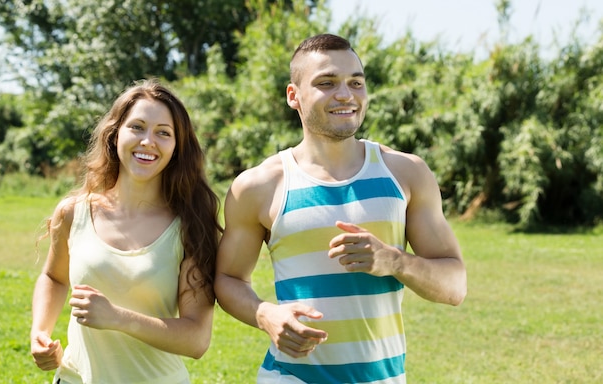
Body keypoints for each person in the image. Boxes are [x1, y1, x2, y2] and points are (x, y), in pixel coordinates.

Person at [214, 33, 467, 383]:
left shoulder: (405, 173)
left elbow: (455, 286)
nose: (346, 95)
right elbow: (227, 279)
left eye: (356, 82)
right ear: (294, 96)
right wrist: (265, 314)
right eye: (327, 83)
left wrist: (394, 261)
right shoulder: (259, 186)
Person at [30, 79, 222, 383]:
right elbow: (54, 277)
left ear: (177, 147)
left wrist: (117, 318)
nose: (148, 141)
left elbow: (197, 339)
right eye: (137, 127)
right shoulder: (73, 212)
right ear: (115, 133)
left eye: (163, 133)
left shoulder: (190, 226)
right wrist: (40, 331)